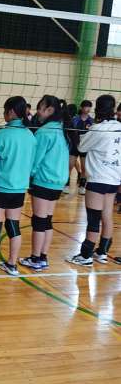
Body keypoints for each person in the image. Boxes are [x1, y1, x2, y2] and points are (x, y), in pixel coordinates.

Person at [0, 96, 36, 277]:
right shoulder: (30, 136)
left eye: (5, 110)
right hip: (19, 189)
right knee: (13, 226)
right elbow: (32, 164)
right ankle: (12, 265)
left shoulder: (1, 135)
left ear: (11, 112)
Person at [66, 94, 120, 266]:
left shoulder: (98, 129)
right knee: (107, 215)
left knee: (94, 218)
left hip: (98, 178)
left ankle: (86, 255)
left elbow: (81, 147)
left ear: (98, 108)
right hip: (114, 179)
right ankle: (102, 252)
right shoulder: (119, 127)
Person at [19, 96, 69, 270]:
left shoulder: (44, 132)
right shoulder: (62, 130)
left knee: (39, 221)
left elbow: (35, 160)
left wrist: (27, 177)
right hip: (58, 182)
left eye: (40, 108)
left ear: (50, 110)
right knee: (47, 220)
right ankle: (43, 257)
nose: (38, 112)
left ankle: (35, 258)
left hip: (43, 180)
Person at [72, 99, 93, 195]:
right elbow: (71, 132)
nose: (87, 109)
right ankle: (66, 185)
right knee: (70, 165)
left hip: (85, 147)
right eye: (86, 106)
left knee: (84, 167)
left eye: (89, 107)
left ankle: (82, 186)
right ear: (81, 107)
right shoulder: (75, 119)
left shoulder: (91, 121)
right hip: (74, 145)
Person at [62, 103, 81, 194]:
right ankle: (67, 183)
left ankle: (67, 184)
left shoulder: (72, 120)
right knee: (70, 165)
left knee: (68, 166)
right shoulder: (71, 120)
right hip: (74, 145)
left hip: (72, 146)